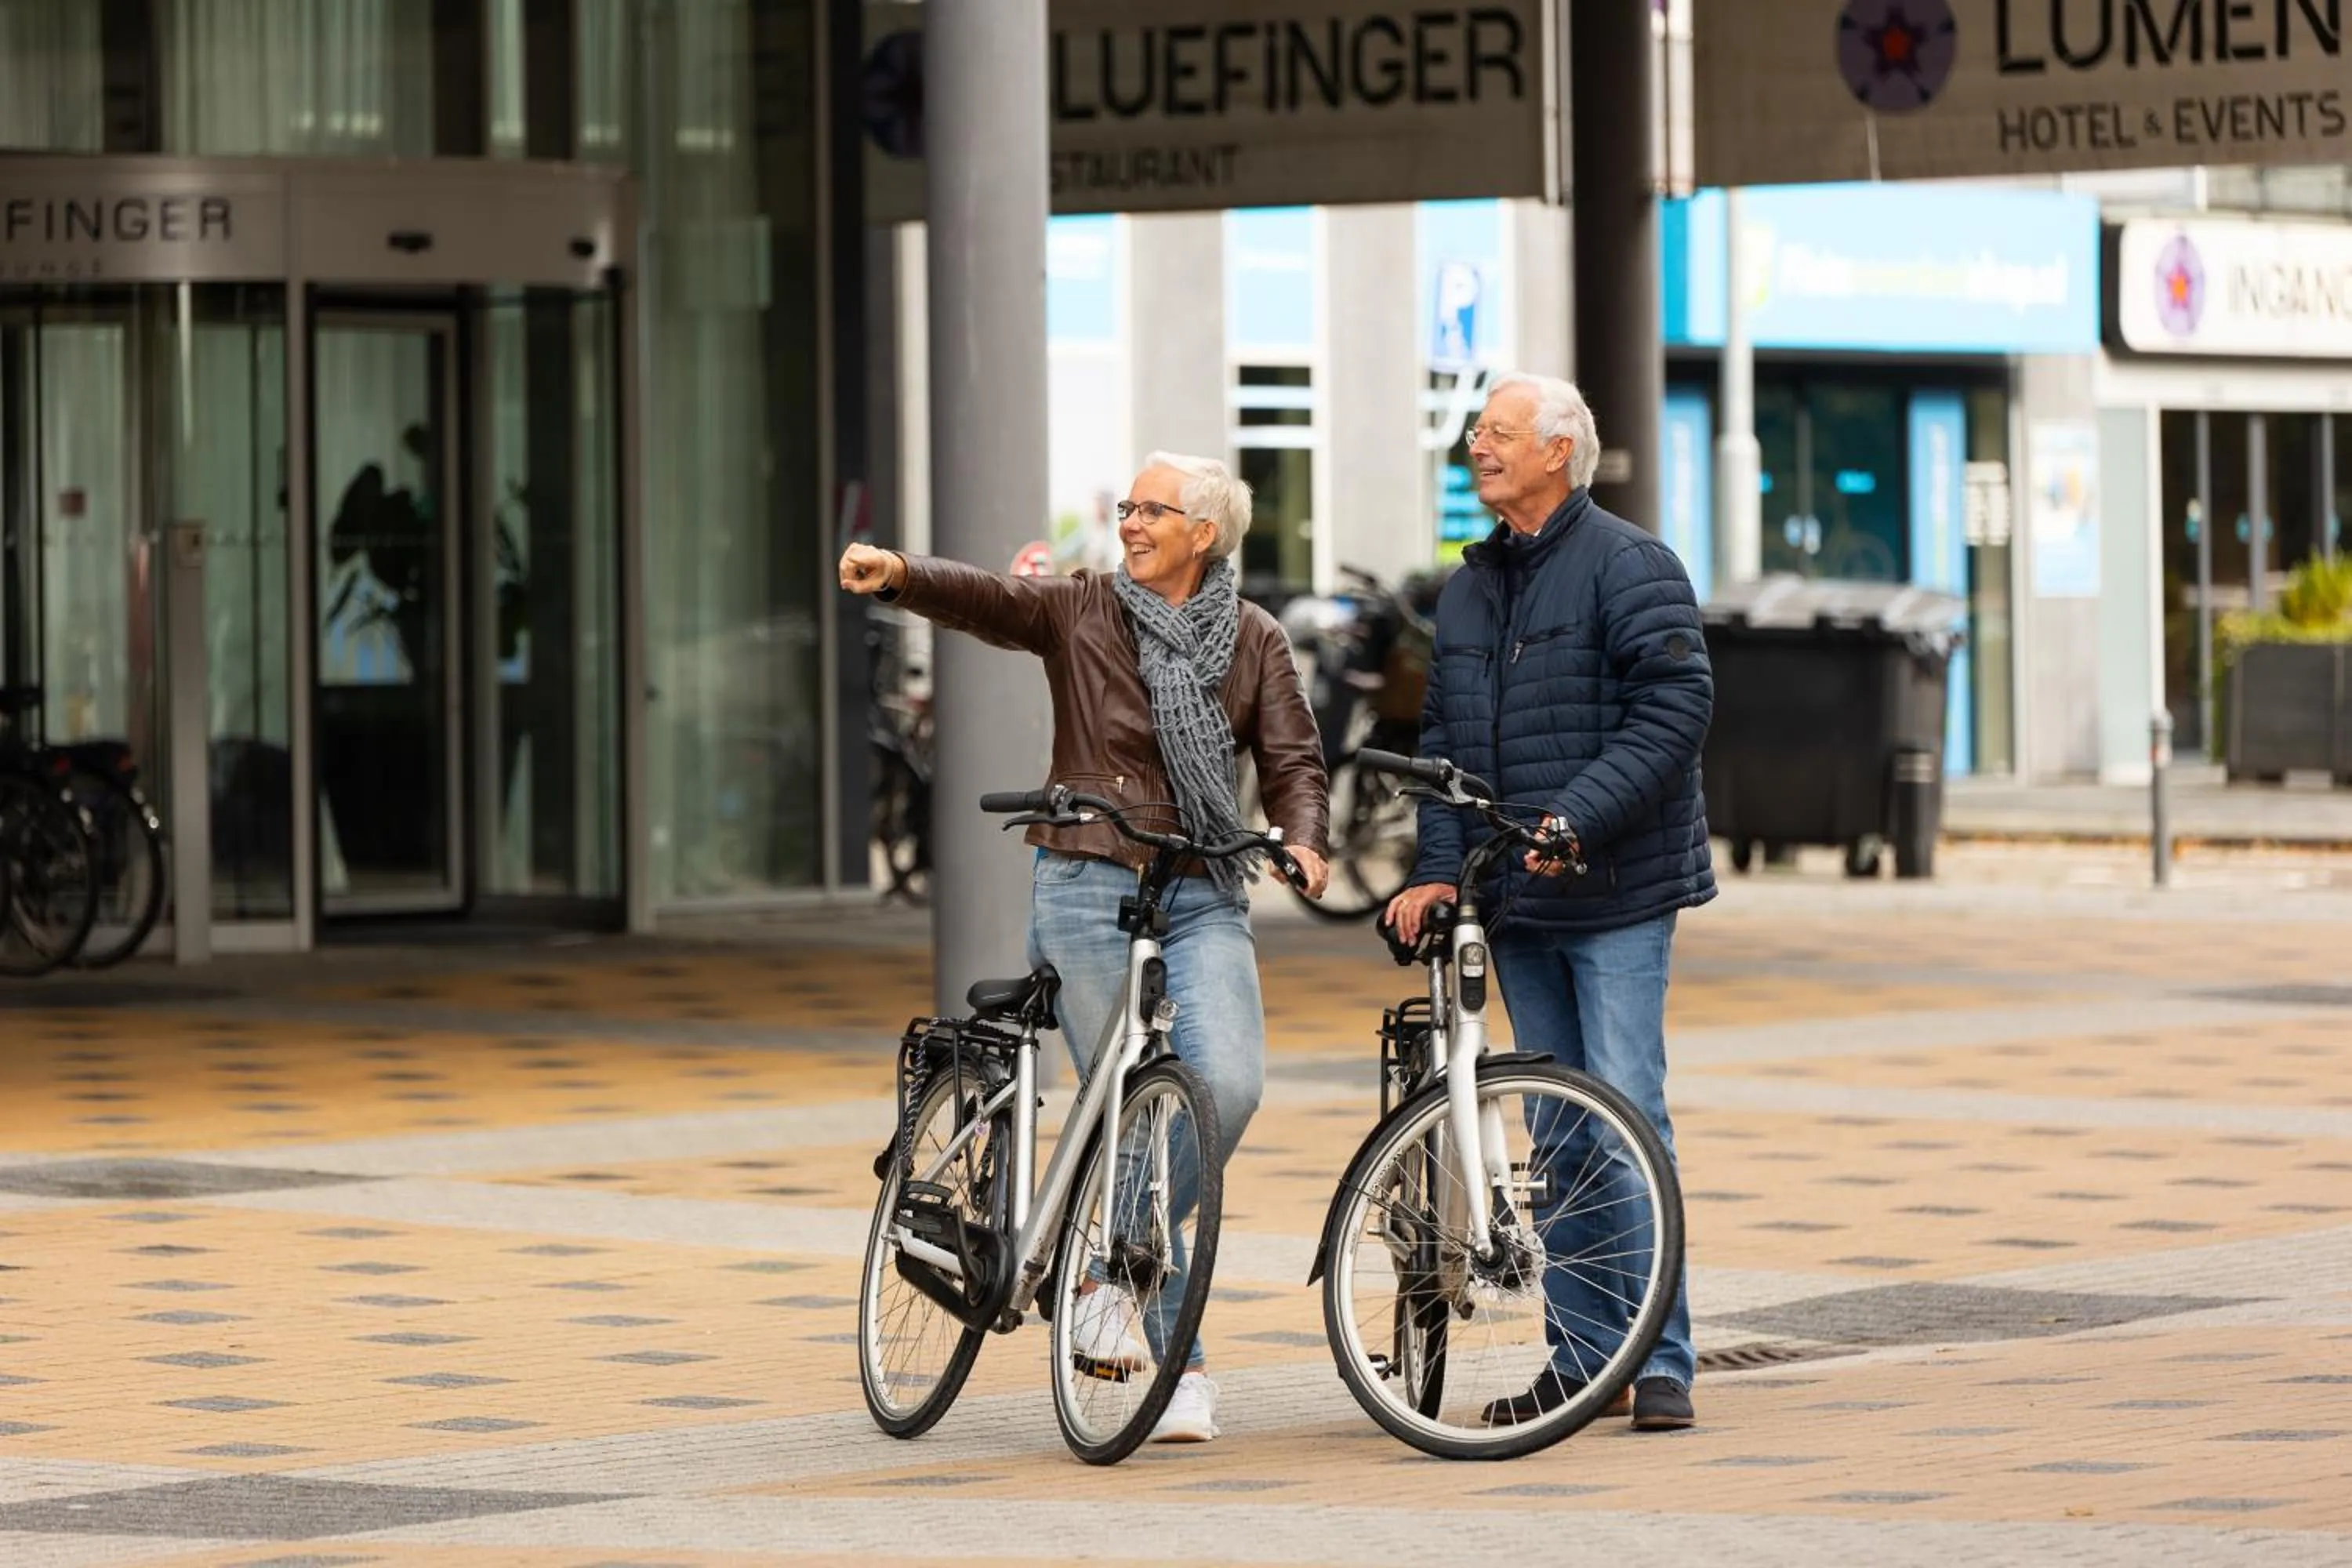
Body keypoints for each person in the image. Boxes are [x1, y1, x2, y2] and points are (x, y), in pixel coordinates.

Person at [839, 451, 1330, 1443]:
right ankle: (1176, 1364)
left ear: (1207, 532)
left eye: (1155, 510)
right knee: (1124, 1101)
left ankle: (1104, 1259)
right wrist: (899, 571)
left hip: (1200, 883)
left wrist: (1307, 838)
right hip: (1086, 875)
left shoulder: (1255, 637)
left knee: (1222, 1084)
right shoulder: (1085, 610)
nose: (1132, 523)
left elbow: (1290, 757)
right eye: (1129, 506)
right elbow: (991, 602)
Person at [1384, 372, 1713, 1432]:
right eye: (1476, 433)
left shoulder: (1630, 563)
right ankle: (1581, 1360)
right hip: (1514, 896)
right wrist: (1441, 867)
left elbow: (1676, 711)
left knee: (1623, 1117)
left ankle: (1660, 1358)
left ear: (1559, 451)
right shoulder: (1471, 585)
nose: (1478, 447)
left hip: (1615, 891)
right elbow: (1443, 747)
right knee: (1560, 1142)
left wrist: (1575, 816)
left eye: (1498, 434)